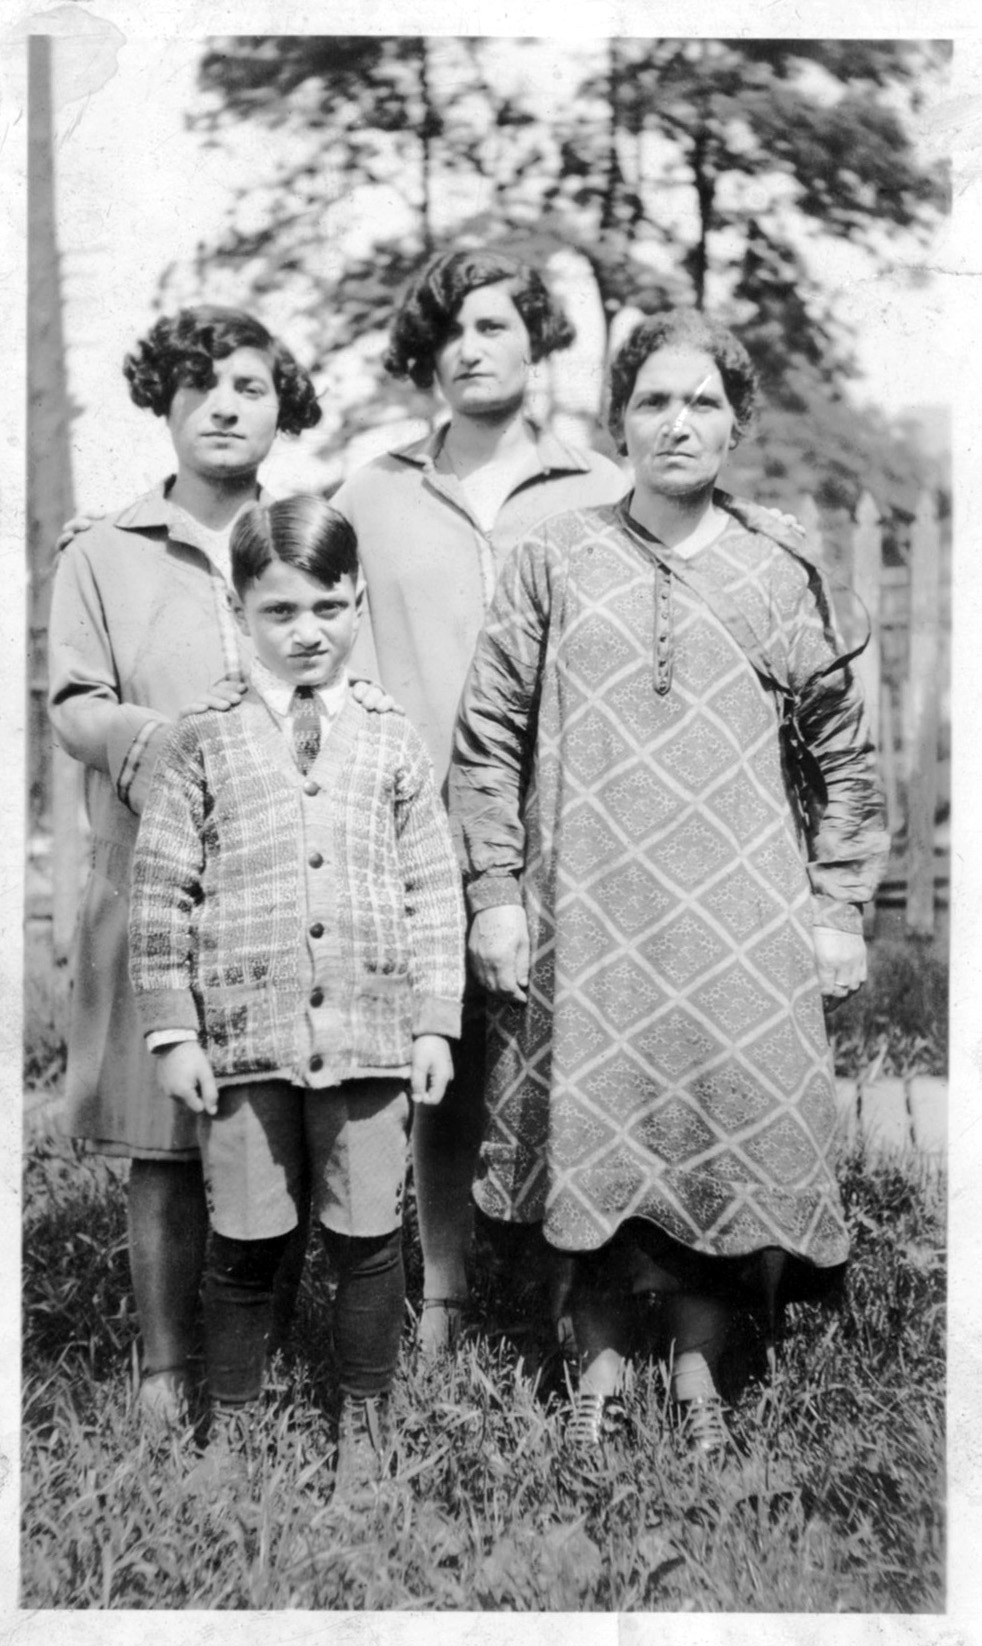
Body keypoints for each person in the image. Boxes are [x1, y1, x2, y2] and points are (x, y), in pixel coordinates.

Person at [449, 309, 889, 1455]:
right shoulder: (553, 557)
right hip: (586, 916)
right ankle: (595, 1374)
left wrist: (836, 907)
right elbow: (487, 738)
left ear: (736, 424)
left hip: (739, 922)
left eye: (703, 402)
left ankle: (700, 1377)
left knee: (722, 1125)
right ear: (618, 421)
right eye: (653, 400)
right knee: (595, 1129)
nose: (677, 423)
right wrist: (494, 891)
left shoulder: (778, 568)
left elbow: (843, 755)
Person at [47, 306, 373, 1424]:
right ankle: (163, 1368)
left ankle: (257, 1361)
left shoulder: (311, 536)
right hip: (154, 878)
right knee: (163, 1142)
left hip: (287, 886)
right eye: (200, 385)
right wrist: (151, 741)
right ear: (165, 401)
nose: (224, 406)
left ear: (285, 406)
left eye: (250, 385)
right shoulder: (104, 550)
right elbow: (74, 702)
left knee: (269, 1127)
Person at [127, 495, 465, 1497]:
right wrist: (174, 1032)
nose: (306, 630)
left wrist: (434, 1022)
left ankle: (365, 1423)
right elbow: (160, 890)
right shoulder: (201, 739)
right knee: (244, 1237)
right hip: (245, 1039)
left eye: (327, 605)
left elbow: (433, 888)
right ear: (240, 611)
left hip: (370, 1036)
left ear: (357, 600)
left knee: (367, 1237)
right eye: (279, 611)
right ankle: (232, 1429)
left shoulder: (393, 739)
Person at [330, 248, 630, 1355]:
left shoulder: (599, 487)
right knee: (441, 1057)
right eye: (450, 330)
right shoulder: (374, 490)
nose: (470, 348)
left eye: (494, 325)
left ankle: (576, 1295)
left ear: (534, 341)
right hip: (417, 829)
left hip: (572, 826)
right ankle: (447, 1288)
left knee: (574, 1047)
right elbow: (299, 599)